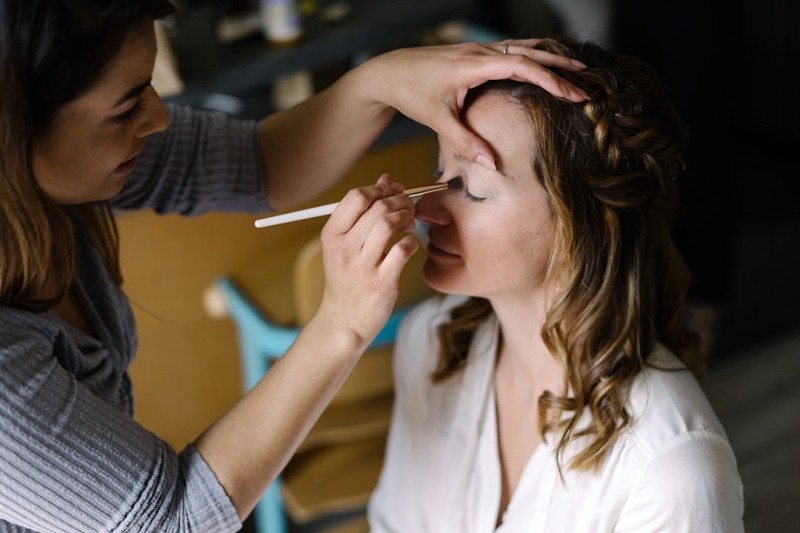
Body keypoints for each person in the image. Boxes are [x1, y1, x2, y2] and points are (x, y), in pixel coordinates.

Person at [0, 0, 590, 531]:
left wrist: (380, 80)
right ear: (15, 132)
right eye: (125, 108)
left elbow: (259, 164)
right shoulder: (430, 346)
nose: (157, 119)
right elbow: (172, 521)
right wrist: (342, 323)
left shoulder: (661, 463)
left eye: (472, 185)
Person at [368, 36, 744, 532]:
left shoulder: (672, 471)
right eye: (440, 173)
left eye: (473, 190)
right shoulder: (431, 343)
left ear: (585, 226)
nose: (425, 210)